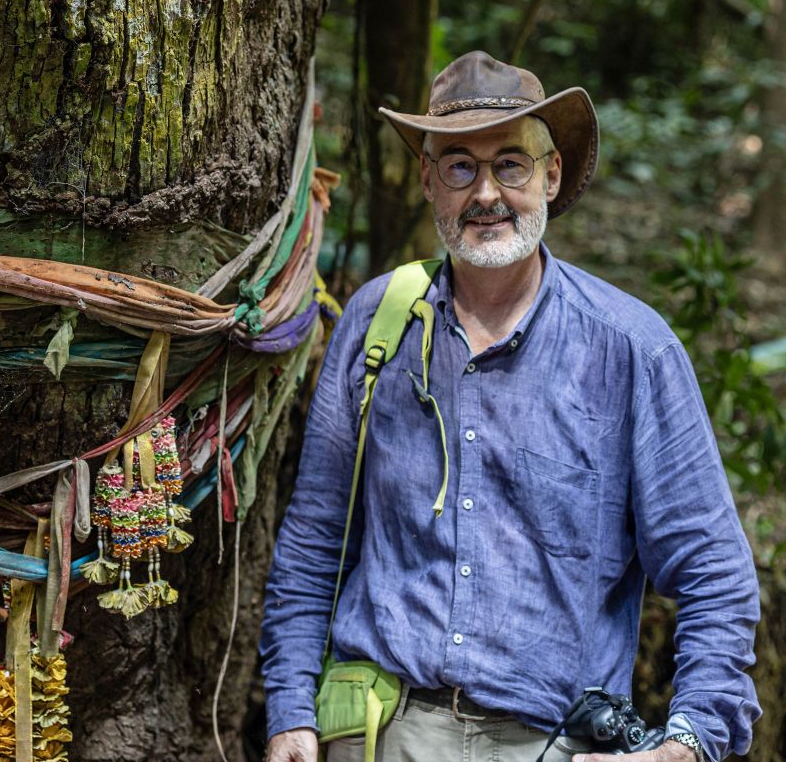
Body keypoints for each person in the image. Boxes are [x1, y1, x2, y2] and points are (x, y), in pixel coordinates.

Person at [259, 51, 760, 762]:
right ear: (429, 180)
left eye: (512, 166)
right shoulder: (380, 325)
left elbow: (713, 570)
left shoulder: (631, 349)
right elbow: (314, 541)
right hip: (381, 729)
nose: (486, 192)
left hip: (554, 740)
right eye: (460, 165)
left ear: (551, 175)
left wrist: (689, 740)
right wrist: (289, 711)